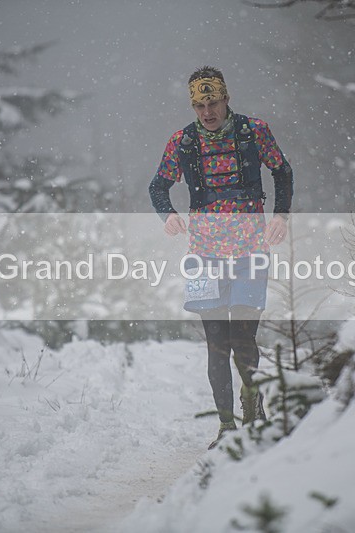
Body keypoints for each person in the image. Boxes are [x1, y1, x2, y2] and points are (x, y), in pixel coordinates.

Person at [149, 66, 293, 449]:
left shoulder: (253, 131)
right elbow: (158, 186)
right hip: (203, 254)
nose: (207, 112)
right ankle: (226, 426)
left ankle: (252, 410)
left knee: (243, 337)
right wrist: (168, 215)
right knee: (216, 343)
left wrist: (280, 216)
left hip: (250, 251)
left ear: (226, 99)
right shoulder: (182, 142)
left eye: (213, 102)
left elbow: (282, 171)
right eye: (200, 105)